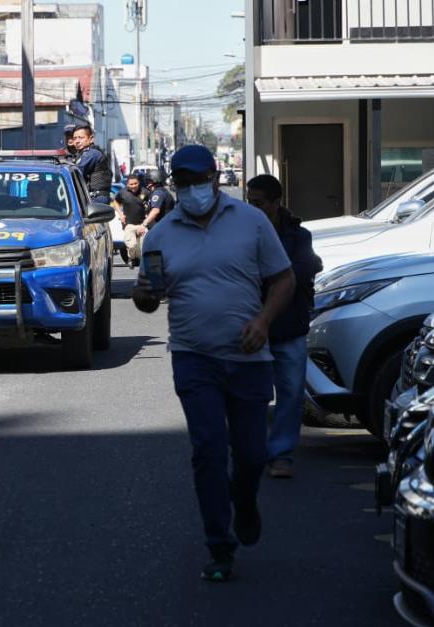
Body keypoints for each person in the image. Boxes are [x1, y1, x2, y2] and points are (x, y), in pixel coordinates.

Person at [132, 145, 296, 582]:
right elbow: (148, 301)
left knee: (250, 454)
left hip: (249, 358)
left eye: (196, 180)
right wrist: (145, 294)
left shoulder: (251, 221)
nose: (190, 189)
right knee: (207, 449)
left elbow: (284, 279)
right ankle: (219, 547)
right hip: (193, 357)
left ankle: (244, 502)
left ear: (215, 178)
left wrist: (264, 321)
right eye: (181, 182)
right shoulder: (162, 234)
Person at [246, 174, 323, 479]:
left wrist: (270, 277)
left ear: (276, 203)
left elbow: (303, 272)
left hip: (289, 326)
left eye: (258, 203)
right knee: (253, 394)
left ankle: (281, 454)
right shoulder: (243, 233)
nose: (252, 208)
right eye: (248, 202)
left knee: (290, 394)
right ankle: (252, 450)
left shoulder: (298, 236)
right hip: (252, 327)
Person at [114, 176, 150, 268]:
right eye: (131, 184)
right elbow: (115, 202)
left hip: (142, 224)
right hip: (129, 224)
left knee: (142, 246)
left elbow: (151, 205)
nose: (133, 186)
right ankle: (131, 258)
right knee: (131, 245)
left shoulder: (145, 192)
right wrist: (120, 215)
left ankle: (143, 263)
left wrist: (147, 215)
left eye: (135, 184)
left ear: (139, 183)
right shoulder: (123, 193)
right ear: (127, 184)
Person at [71, 125, 112, 204]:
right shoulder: (81, 154)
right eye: (74, 138)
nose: (77, 141)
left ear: (91, 139)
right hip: (92, 198)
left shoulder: (91, 153)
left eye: (81, 137)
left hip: (96, 199)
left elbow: (75, 173)